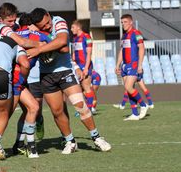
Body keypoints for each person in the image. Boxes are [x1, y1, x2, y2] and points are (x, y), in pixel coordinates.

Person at [27, 8, 111, 153]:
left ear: (48, 14)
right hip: (46, 76)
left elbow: (63, 43)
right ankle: (70, 141)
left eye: (47, 23)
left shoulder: (58, 21)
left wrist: (39, 47)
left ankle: (96, 137)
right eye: (42, 26)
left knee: (80, 105)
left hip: (65, 72)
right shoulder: (34, 31)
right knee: (57, 111)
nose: (47, 27)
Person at [115, 14, 148, 121]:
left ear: (131, 22)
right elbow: (122, 51)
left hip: (133, 64)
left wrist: (140, 65)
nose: (123, 24)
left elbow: (142, 48)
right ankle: (134, 113)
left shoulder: (136, 34)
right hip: (124, 65)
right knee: (128, 89)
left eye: (125, 22)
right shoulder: (124, 36)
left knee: (129, 87)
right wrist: (117, 64)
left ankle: (143, 105)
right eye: (122, 22)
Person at [71, 20, 95, 112]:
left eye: (73, 27)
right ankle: (85, 108)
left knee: (86, 87)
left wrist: (86, 68)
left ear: (78, 27)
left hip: (85, 66)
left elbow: (89, 54)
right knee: (79, 89)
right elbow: (74, 52)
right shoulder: (75, 38)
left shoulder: (86, 37)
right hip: (77, 67)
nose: (71, 29)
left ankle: (89, 109)